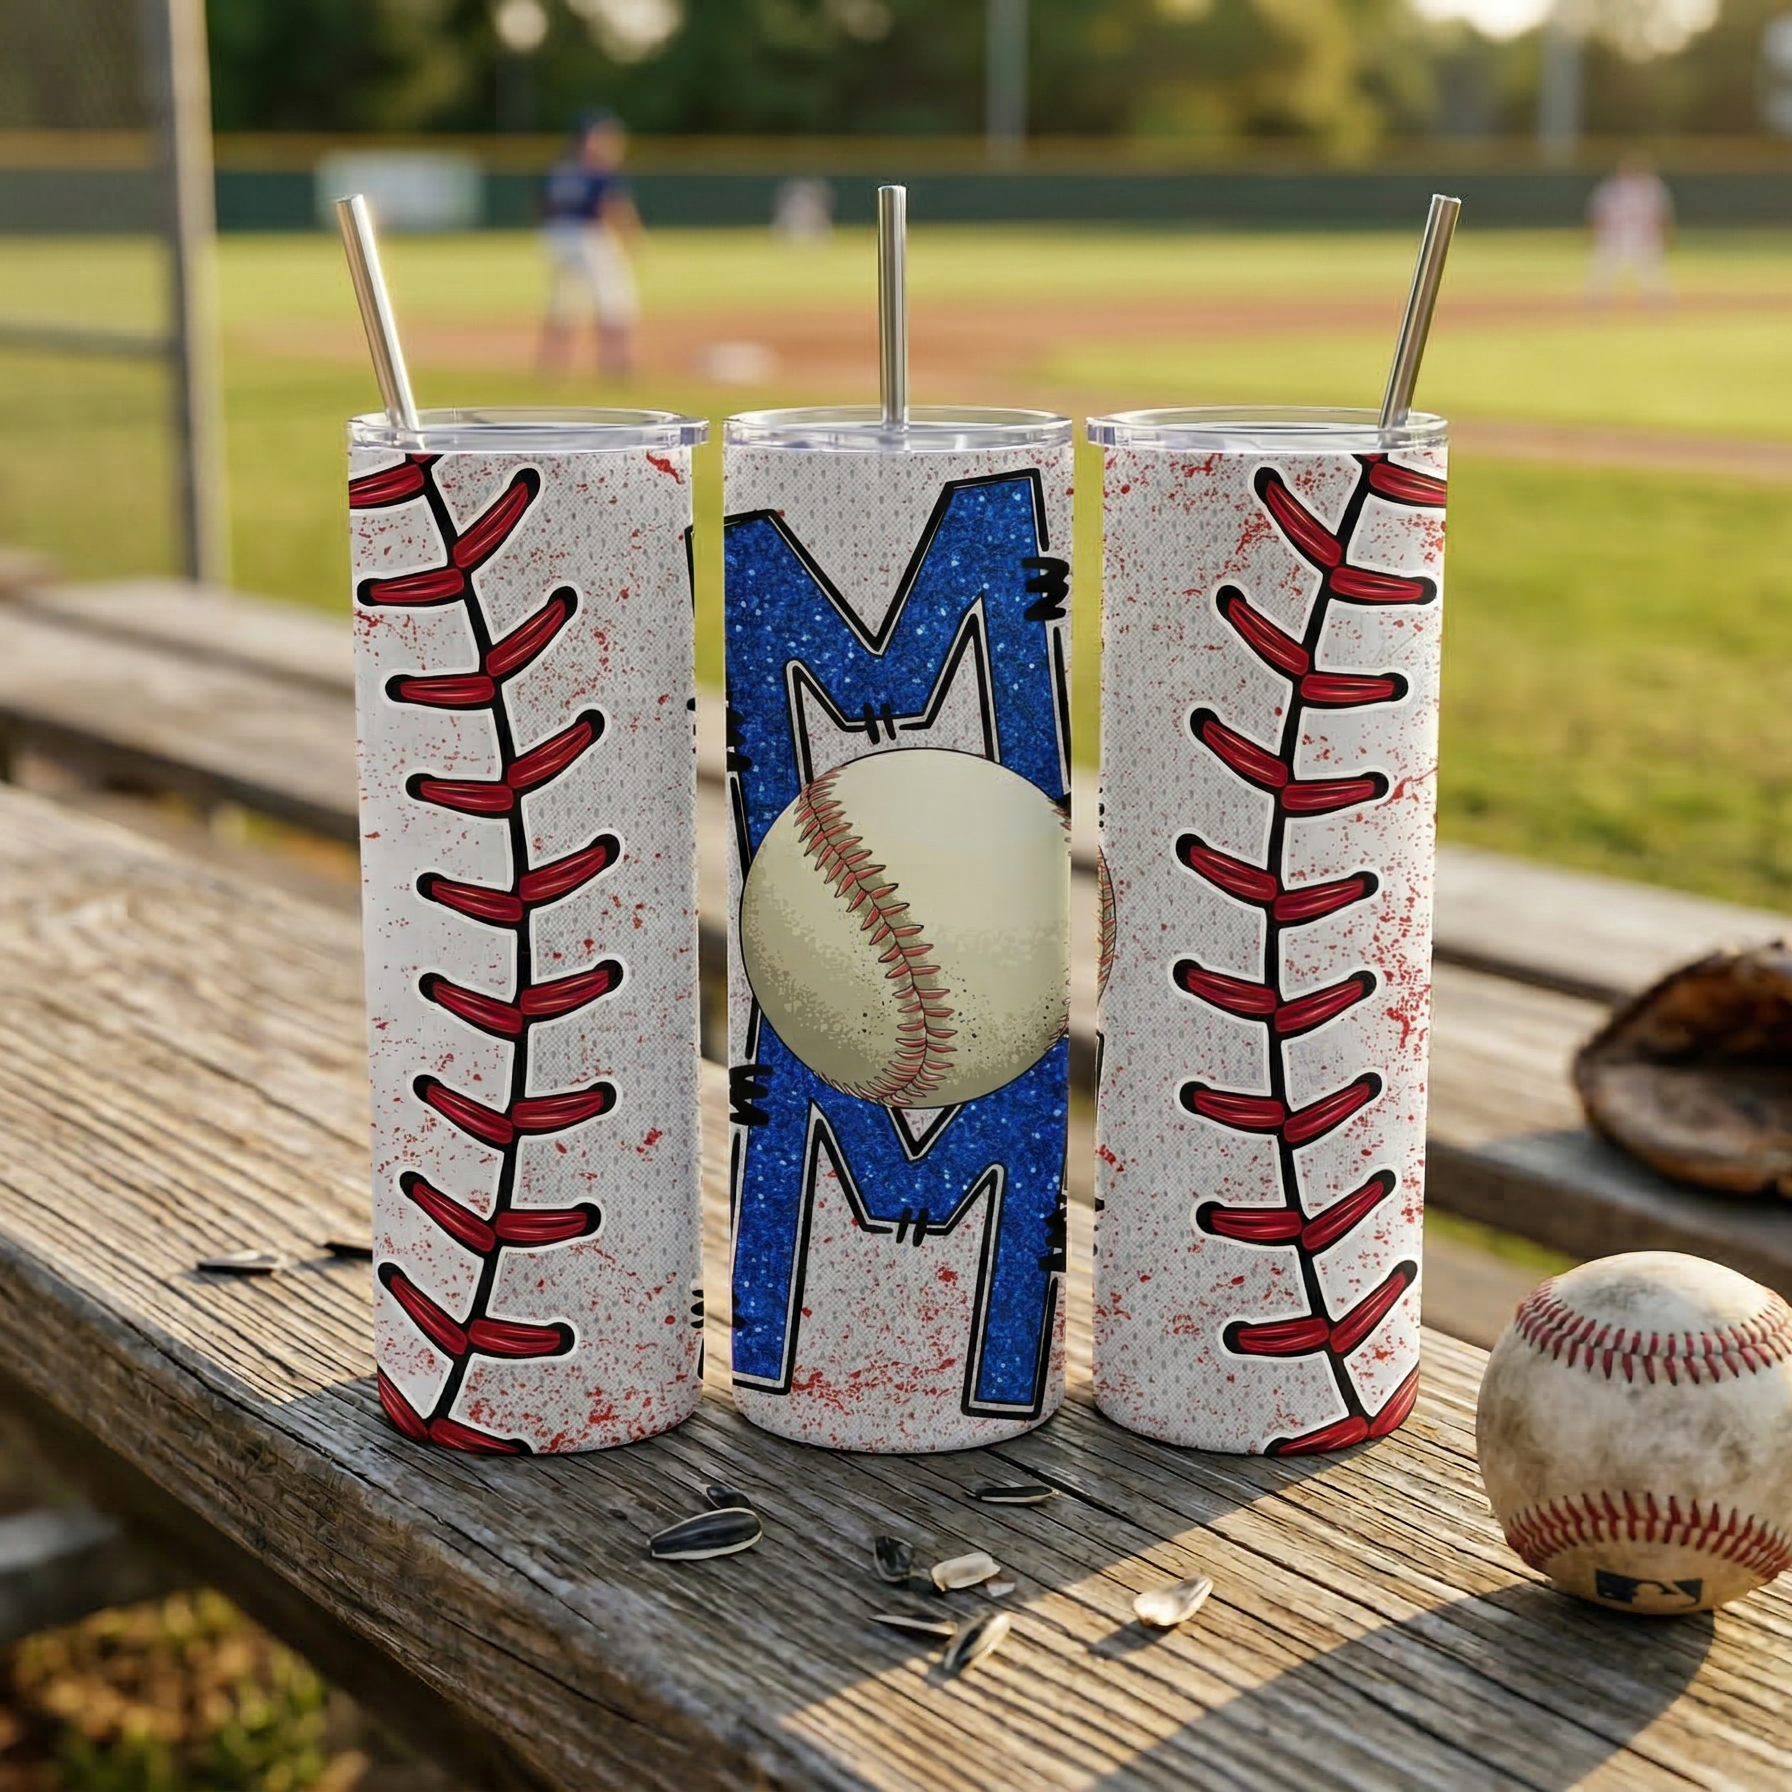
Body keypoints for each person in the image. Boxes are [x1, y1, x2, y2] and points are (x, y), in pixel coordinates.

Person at [539, 112, 641, 378]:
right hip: (588, 237)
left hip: (557, 236)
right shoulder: (598, 170)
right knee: (614, 301)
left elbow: (545, 207)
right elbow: (612, 207)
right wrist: (632, 238)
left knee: (564, 304)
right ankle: (615, 366)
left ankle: (552, 367)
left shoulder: (561, 169)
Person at [1586, 156, 1674, 306]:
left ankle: (1658, 301)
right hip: (1616, 235)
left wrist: (1661, 233)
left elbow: (1660, 215)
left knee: (1651, 271)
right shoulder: (1611, 188)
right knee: (1603, 268)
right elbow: (1598, 213)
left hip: (1641, 235)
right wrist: (1597, 232)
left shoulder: (1651, 188)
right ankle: (1596, 300)